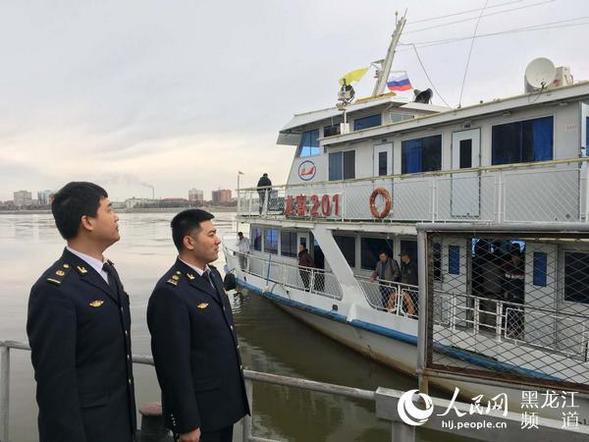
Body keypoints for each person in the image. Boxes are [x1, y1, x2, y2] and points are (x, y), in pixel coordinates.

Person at [27, 182, 136, 442]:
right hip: (88, 431)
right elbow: (55, 385)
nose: (116, 216)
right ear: (87, 221)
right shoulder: (54, 289)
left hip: (119, 425)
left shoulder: (107, 272)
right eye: (109, 210)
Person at [147, 209, 249, 442]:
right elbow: (172, 366)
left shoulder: (212, 276)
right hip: (199, 418)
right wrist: (187, 423)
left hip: (223, 408)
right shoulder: (170, 292)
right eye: (211, 234)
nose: (218, 239)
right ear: (189, 242)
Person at [399, 252, 417, 317]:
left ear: (407, 256)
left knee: (414, 304)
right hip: (405, 289)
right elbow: (402, 277)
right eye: (401, 256)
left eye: (402, 256)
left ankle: (414, 318)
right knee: (405, 304)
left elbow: (417, 277)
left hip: (413, 289)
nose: (401, 258)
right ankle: (406, 317)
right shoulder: (403, 266)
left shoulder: (414, 265)